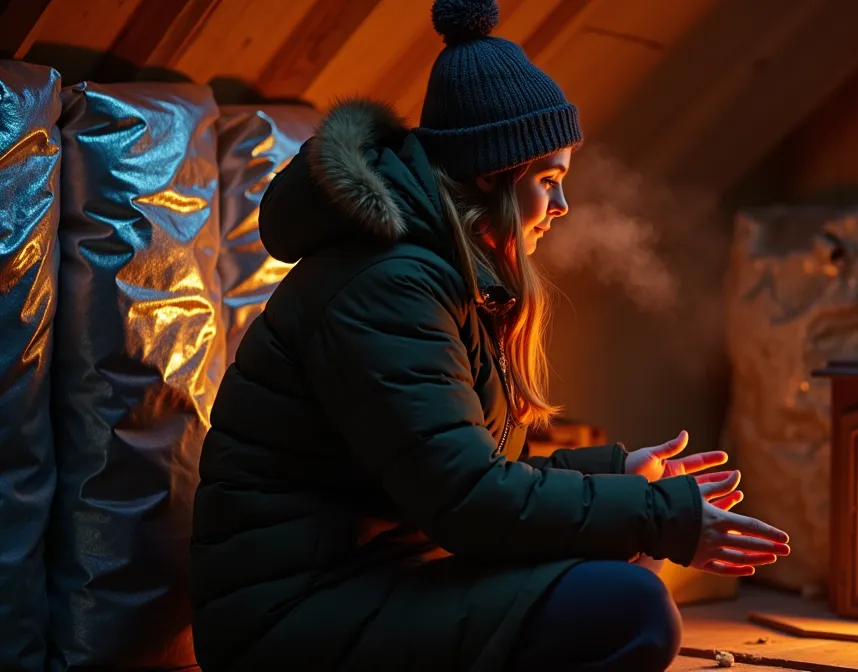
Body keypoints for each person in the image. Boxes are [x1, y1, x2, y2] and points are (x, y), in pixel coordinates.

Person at [188, 1, 790, 671]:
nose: (561, 207)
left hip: (369, 580)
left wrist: (618, 472)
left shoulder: (444, 276)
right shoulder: (388, 286)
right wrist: (656, 515)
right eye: (548, 181)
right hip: (285, 619)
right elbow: (468, 503)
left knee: (625, 581)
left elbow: (459, 473)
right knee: (629, 608)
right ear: (489, 179)